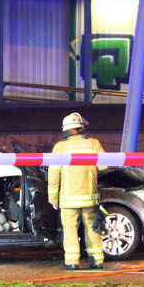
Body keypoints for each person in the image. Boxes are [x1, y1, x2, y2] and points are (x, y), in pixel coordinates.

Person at [47, 112, 106, 271]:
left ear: (66, 129)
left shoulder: (60, 147)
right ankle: (97, 261)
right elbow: (104, 166)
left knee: (70, 229)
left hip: (68, 198)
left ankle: (72, 262)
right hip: (89, 196)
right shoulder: (93, 143)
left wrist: (53, 196)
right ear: (81, 127)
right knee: (92, 228)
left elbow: (53, 174)